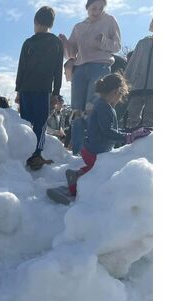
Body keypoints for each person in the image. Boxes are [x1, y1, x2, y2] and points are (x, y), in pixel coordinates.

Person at [65, 73, 150, 196]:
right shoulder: (103, 107)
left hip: (95, 149)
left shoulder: (104, 106)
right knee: (100, 171)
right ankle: (76, 181)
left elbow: (112, 129)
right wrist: (127, 137)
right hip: (94, 151)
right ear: (116, 92)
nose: (120, 99)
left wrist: (131, 131)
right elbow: (107, 131)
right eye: (120, 95)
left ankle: (78, 176)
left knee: (97, 169)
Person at [59, 0, 121, 155]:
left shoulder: (109, 20)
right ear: (87, 7)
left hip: (100, 66)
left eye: (101, 8)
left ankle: (92, 150)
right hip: (80, 69)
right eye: (94, 7)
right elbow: (71, 54)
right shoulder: (79, 27)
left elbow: (117, 45)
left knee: (92, 108)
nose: (97, 11)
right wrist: (65, 43)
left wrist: (103, 41)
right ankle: (77, 151)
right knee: (77, 110)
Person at [15, 6, 64, 170]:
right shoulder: (56, 42)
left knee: (26, 122)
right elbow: (58, 70)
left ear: (35, 22)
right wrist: (56, 93)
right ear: (51, 24)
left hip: (26, 89)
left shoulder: (28, 43)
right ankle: (36, 154)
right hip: (44, 90)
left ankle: (23, 153)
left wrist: (18, 90)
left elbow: (21, 68)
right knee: (40, 123)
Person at [124, 20, 153, 129]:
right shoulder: (143, 43)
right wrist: (126, 81)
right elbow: (133, 63)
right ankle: (131, 142)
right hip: (137, 86)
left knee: (150, 121)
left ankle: (147, 144)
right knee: (132, 119)